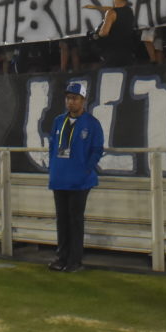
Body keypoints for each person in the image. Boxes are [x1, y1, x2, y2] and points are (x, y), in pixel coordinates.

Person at [47, 81, 104, 273]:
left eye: (75, 98)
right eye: (68, 98)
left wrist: (84, 169)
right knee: (61, 219)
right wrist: (53, 167)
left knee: (75, 220)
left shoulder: (92, 124)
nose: (71, 102)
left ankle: (75, 260)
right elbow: (52, 147)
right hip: (60, 177)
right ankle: (61, 257)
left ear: (83, 101)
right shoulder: (58, 121)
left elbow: (97, 150)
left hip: (80, 181)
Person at [85, 0, 135, 66]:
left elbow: (104, 33)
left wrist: (96, 34)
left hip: (113, 52)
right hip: (127, 51)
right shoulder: (130, 11)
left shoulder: (111, 13)